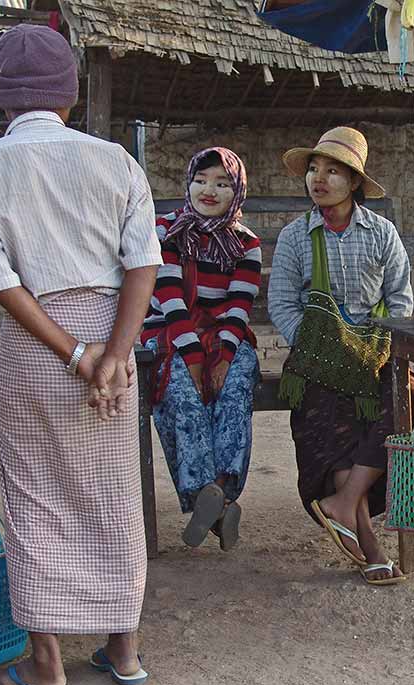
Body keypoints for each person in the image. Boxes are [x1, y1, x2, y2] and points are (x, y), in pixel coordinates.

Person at [0, 24, 161, 685]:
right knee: (114, 492)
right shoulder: (115, 162)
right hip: (113, 335)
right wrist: (114, 355)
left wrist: (73, 354)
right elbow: (142, 264)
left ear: (0, 99)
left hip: (39, 344)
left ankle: (46, 665)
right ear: (69, 96)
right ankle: (123, 650)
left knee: (34, 494)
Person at [268, 127, 414, 586]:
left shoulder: (381, 233)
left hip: (373, 353)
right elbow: (282, 304)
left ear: (354, 181)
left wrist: (373, 347)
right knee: (332, 409)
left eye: (333, 171)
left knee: (408, 398)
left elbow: (401, 300)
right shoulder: (296, 237)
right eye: (314, 169)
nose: (319, 178)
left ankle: (346, 502)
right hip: (316, 358)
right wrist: (318, 346)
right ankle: (369, 540)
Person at [141, 148, 262, 551]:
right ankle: (214, 500)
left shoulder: (246, 243)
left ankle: (219, 489)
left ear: (237, 190)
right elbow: (169, 297)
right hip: (169, 332)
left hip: (223, 335)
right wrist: (193, 359)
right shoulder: (166, 230)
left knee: (238, 384)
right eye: (201, 180)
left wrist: (224, 357)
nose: (209, 190)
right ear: (189, 183)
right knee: (180, 391)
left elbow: (239, 306)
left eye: (222, 183)